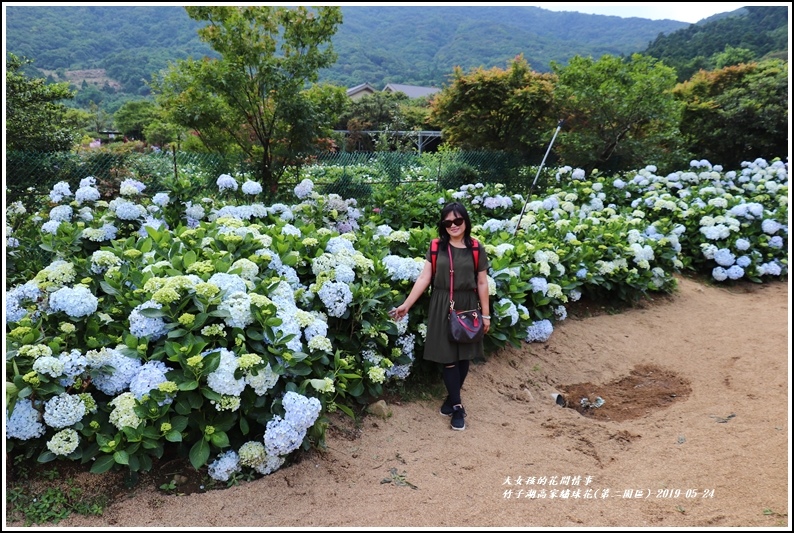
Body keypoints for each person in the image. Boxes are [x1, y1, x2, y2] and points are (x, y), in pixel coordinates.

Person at [390, 202, 491, 431]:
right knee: (448, 358)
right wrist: (406, 304)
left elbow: (482, 282)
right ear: (443, 225)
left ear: (465, 221)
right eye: (447, 222)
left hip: (467, 305)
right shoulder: (436, 247)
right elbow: (425, 278)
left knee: (464, 357)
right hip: (441, 304)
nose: (453, 226)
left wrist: (486, 316)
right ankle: (457, 405)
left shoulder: (476, 248)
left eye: (457, 221)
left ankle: (451, 398)